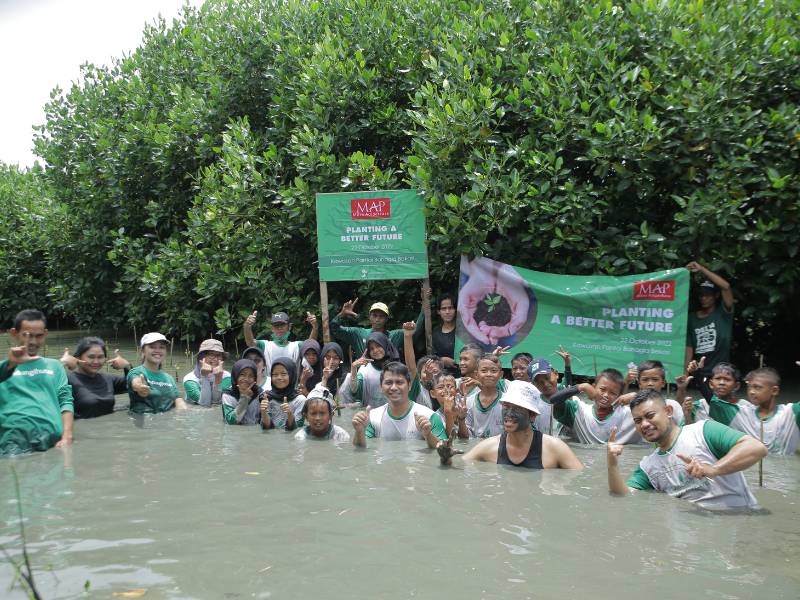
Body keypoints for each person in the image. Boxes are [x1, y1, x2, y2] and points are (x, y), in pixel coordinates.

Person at [607, 389, 766, 509]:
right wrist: (612, 463)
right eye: (638, 420)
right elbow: (623, 496)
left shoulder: (703, 431)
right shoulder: (648, 466)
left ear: (668, 411)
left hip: (740, 519)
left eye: (649, 416)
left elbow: (756, 447)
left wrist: (713, 470)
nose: (644, 424)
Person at [439, 380, 583, 469]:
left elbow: (578, 481)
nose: (508, 413)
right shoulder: (489, 447)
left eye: (517, 408)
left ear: (532, 415)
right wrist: (445, 458)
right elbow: (459, 472)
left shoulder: (555, 448)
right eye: (506, 406)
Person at [0, 309, 74, 455]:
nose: (33, 341)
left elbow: (65, 401)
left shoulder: (55, 366)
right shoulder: (4, 367)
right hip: (14, 446)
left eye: (38, 336)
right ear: (14, 333)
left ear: (45, 334)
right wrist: (10, 364)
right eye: (27, 335)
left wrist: (67, 435)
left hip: (54, 444)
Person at [351, 362, 447, 448]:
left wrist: (428, 434)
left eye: (399, 382)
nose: (393, 387)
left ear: (409, 386)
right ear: (381, 387)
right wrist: (359, 432)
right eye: (388, 383)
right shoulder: (372, 417)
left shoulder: (430, 416)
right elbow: (361, 452)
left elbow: (444, 450)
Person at [707, 367, 798, 455]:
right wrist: (696, 374)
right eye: (749, 387)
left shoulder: (790, 413)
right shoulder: (742, 413)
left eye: (757, 387)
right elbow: (715, 403)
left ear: (774, 390)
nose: (751, 392)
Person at [548, 368, 641, 444]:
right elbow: (553, 400)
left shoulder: (630, 414)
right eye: (602, 389)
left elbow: (654, 406)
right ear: (593, 387)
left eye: (612, 393)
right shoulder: (578, 410)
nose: (606, 395)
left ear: (620, 395)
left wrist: (636, 396)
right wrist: (581, 387)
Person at [457, 256, 532, 348]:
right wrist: (479, 271)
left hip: (518, 281)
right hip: (472, 270)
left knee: (508, 338)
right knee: (478, 344)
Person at [684, 261, 734, 384]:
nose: (703, 298)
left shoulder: (723, 313)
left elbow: (726, 287)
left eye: (707, 295)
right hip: (700, 372)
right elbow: (689, 348)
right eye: (701, 295)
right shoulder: (692, 318)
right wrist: (685, 372)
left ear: (716, 296)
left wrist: (701, 269)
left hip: (721, 373)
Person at [59, 336, 131, 418]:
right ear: (78, 357)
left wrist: (127, 365)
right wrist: (62, 363)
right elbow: (44, 386)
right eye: (91, 357)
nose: (96, 361)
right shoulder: (67, 380)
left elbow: (134, 385)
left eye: (100, 357)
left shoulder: (108, 379)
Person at [127, 332, 187, 414]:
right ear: (143, 351)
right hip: (146, 423)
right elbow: (136, 382)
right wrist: (140, 387)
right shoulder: (137, 372)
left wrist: (183, 411)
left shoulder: (168, 377)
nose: (158, 351)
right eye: (152, 347)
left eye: (161, 347)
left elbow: (177, 399)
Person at [614, 360, 686, 426]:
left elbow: (683, 427)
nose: (650, 383)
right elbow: (618, 406)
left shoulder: (672, 405)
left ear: (663, 383)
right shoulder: (631, 406)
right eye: (645, 380)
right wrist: (626, 383)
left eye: (655, 379)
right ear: (639, 384)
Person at [243, 310, 318, 373]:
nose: (279, 328)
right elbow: (250, 343)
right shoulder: (265, 345)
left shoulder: (297, 346)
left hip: (292, 389)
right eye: (276, 326)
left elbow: (311, 344)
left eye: (282, 325)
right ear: (272, 328)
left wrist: (315, 327)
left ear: (289, 327)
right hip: (270, 388)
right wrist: (247, 326)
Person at [679, 359, 752, 424]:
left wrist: (697, 374)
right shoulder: (699, 406)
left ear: (736, 386)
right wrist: (687, 415)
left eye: (727, 379)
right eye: (718, 378)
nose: (722, 383)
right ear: (711, 384)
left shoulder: (744, 407)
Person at [340, 331, 400, 408]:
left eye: (378, 346)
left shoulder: (397, 366)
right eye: (371, 349)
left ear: (385, 345)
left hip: (393, 412)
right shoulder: (365, 367)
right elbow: (355, 390)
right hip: (371, 413)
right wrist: (354, 369)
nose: (375, 350)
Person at [527, 356, 574, 436]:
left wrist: (567, 364)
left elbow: (568, 383)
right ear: (534, 385)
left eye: (547, 378)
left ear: (556, 374)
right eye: (539, 382)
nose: (545, 384)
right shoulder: (533, 404)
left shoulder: (567, 397)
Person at [413, 291, 458, 374]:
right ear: (438, 312)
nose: (447, 312)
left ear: (455, 310)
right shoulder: (435, 333)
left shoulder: (462, 331)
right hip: (442, 379)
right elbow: (431, 358)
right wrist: (442, 361)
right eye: (444, 309)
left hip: (463, 377)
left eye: (450, 308)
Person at [465, 354, 505, 438]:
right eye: (484, 371)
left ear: (501, 374)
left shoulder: (507, 402)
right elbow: (465, 436)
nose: (489, 374)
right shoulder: (468, 402)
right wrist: (461, 420)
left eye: (494, 371)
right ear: (476, 374)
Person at [259, 357, 305, 431]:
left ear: (291, 375)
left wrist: (289, 413)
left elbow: (298, 429)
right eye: (275, 374)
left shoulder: (300, 400)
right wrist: (263, 412)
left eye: (283, 374)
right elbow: (267, 429)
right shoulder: (266, 397)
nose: (279, 378)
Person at [182, 339, 231, 407]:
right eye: (211, 354)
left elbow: (216, 403)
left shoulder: (227, 377)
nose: (216, 359)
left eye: (218, 355)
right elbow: (205, 404)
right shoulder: (190, 380)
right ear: (202, 357)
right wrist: (204, 376)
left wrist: (218, 378)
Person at [222, 359, 265, 425]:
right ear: (236, 376)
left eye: (251, 376)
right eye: (242, 374)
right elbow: (230, 422)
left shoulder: (259, 393)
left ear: (255, 378)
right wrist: (244, 398)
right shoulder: (228, 395)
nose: (246, 379)